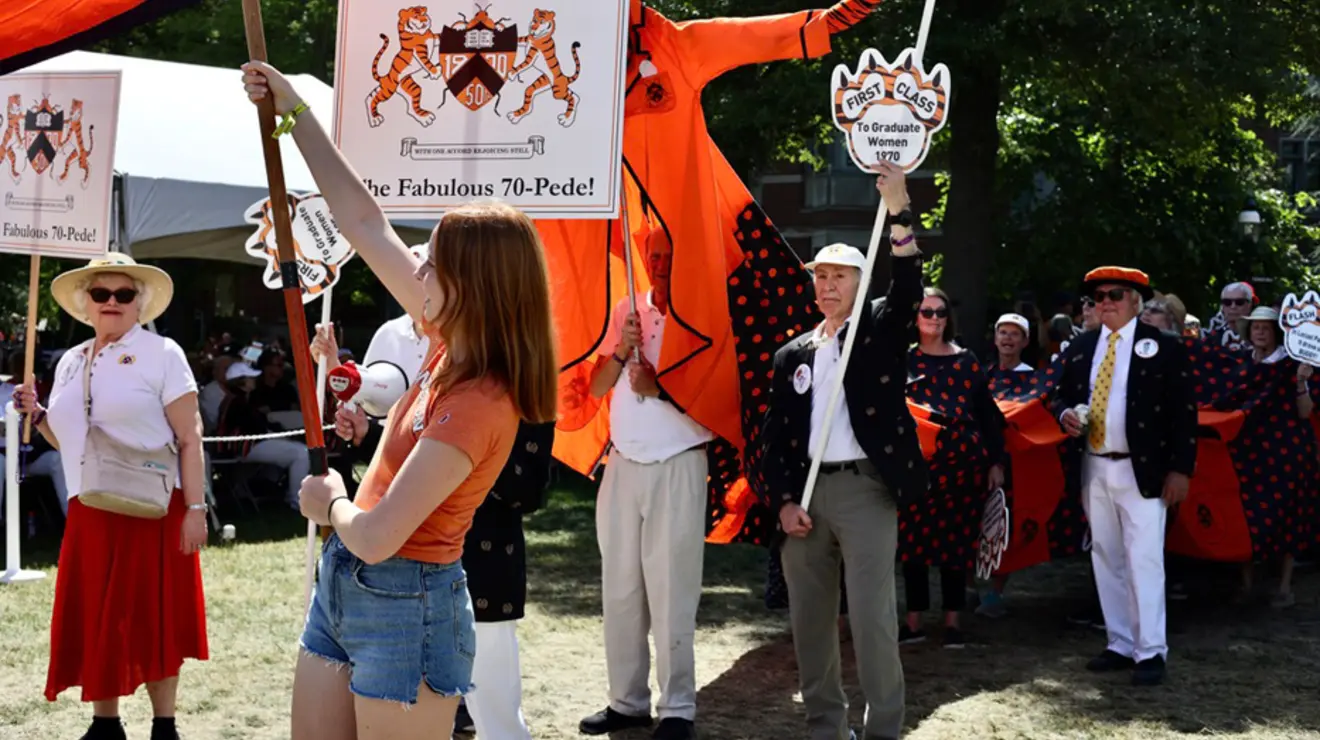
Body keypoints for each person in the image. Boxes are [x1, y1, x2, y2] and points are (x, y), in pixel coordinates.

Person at [241, 61, 559, 740]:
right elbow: (361, 219)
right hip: (347, 587)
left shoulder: (480, 400)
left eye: (432, 262)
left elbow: (381, 537)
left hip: (406, 600)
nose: (415, 268)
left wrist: (327, 501)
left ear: (472, 285)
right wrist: (294, 114)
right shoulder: (451, 340)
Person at [13, 253, 208, 740]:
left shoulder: (163, 353)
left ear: (140, 303)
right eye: (102, 294)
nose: (112, 302)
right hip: (90, 506)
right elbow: (72, 439)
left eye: (124, 294)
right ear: (86, 302)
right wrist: (38, 417)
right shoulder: (71, 360)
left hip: (157, 506)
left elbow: (191, 437)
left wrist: (197, 509)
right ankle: (106, 724)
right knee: (99, 613)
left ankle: (165, 726)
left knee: (156, 615)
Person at [758, 165, 924, 740]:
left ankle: (883, 729)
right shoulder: (792, 354)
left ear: (859, 283)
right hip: (805, 496)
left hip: (865, 491)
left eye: (839, 277)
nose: (827, 286)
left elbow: (907, 289)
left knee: (874, 619)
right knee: (809, 621)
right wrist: (781, 501)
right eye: (820, 277)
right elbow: (774, 439)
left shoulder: (878, 329)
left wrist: (898, 210)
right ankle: (826, 727)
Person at [577, 226, 713, 740]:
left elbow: (714, 400)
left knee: (672, 590)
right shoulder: (626, 308)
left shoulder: (701, 315)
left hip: (678, 462)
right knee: (621, 590)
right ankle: (626, 702)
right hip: (622, 465)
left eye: (667, 256)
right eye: (652, 255)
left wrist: (658, 389)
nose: (658, 263)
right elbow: (595, 387)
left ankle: (677, 708)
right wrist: (620, 350)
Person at [1051, 266, 1195, 686]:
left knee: (1144, 559)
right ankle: (1119, 642)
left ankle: (1150, 650)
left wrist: (1181, 469)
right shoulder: (1084, 347)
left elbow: (1184, 415)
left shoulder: (1165, 347)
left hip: (1143, 469)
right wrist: (1063, 413)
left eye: (1115, 294)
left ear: (1135, 301)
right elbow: (1059, 393)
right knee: (1106, 556)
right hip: (1095, 464)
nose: (1105, 302)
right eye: (1098, 297)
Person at [902, 289, 1006, 647]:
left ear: (948, 318)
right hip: (916, 468)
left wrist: (996, 462)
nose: (933, 318)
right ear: (915, 316)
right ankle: (913, 622)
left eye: (940, 312)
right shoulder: (903, 361)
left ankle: (952, 622)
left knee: (956, 546)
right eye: (926, 311)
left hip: (963, 469)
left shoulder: (967, 361)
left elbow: (988, 417)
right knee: (911, 546)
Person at [1230, 306, 1314, 608]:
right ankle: (1247, 583)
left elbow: (1306, 412)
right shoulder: (1240, 364)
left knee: (1289, 515)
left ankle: (1284, 586)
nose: (1260, 332)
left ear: (1276, 332)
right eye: (1256, 327)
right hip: (1248, 450)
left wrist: (1302, 382)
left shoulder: (1294, 365)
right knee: (1247, 513)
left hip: (1287, 451)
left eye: (1266, 327)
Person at [213, 360, 312, 510]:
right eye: (250, 378)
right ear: (242, 382)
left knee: (297, 449)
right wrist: (275, 433)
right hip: (244, 448)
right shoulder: (237, 402)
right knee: (301, 453)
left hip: (248, 445)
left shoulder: (238, 400)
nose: (254, 381)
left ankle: (281, 492)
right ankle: (295, 501)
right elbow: (253, 427)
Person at [0, 352, 68, 517]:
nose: (20, 368)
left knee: (57, 459)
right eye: (17, 364)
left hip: (29, 455)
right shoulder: (3, 391)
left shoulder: (41, 391)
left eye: (24, 364)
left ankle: (73, 519)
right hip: (5, 454)